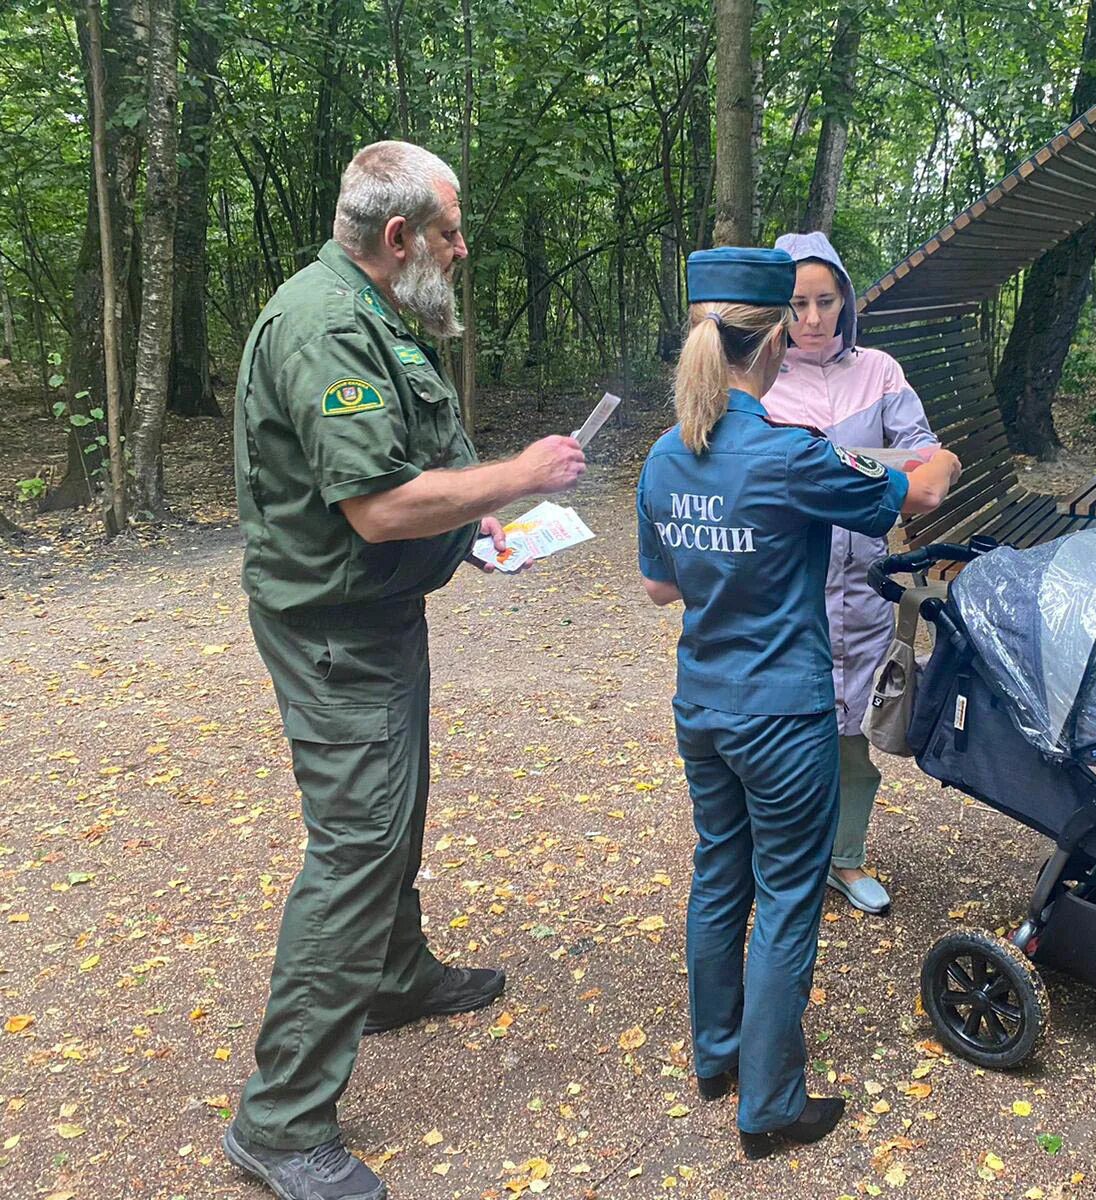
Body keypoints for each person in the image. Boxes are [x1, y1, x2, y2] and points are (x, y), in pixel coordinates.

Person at [223, 140, 586, 1200]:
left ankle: (390, 975)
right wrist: (514, 478)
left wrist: (468, 532)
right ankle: (281, 1120)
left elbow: (395, 487)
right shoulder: (326, 324)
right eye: (452, 232)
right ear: (400, 237)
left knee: (394, 813)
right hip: (335, 627)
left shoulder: (370, 310)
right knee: (357, 844)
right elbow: (376, 507)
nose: (462, 249)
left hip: (375, 610)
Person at [636, 247, 960, 1158]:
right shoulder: (789, 455)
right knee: (785, 897)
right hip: (782, 713)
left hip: (702, 703)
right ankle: (771, 1104)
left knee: (718, 874)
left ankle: (717, 1055)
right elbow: (918, 491)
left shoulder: (665, 457)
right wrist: (945, 456)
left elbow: (661, 590)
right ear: (776, 338)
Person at [761, 230, 941, 916]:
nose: (810, 319)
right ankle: (782, 862)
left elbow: (923, 456)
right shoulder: (760, 375)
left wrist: (890, 467)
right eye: (796, 303)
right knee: (785, 732)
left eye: (824, 301)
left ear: (846, 301)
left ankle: (845, 858)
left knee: (853, 738)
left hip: (865, 584)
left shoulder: (880, 372)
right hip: (788, 585)